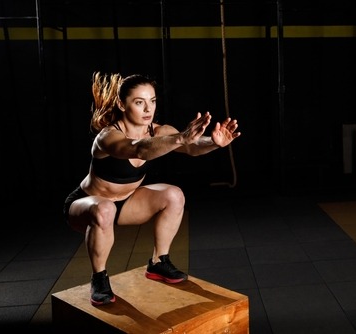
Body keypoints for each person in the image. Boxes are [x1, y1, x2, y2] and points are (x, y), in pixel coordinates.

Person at [63, 72, 241, 306]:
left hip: (125, 205)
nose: (148, 109)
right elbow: (139, 149)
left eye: (153, 101)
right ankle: (99, 279)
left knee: (174, 195)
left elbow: (191, 147)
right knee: (105, 208)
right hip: (87, 205)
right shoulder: (108, 136)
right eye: (139, 102)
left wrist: (213, 143)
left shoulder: (159, 131)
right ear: (121, 104)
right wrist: (181, 138)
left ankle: (158, 262)